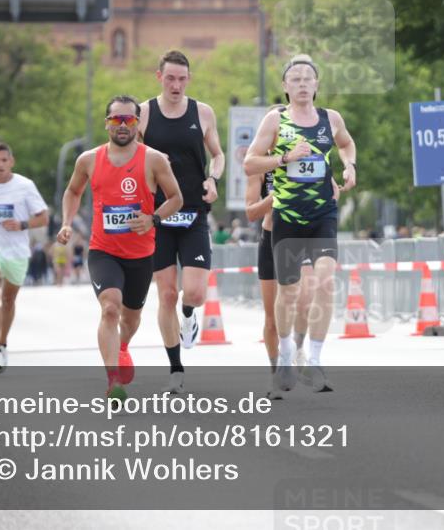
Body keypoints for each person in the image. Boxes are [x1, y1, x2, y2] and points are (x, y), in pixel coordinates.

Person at [58, 95, 182, 401]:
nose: (123, 125)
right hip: (103, 250)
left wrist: (153, 218)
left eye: (129, 120)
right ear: (107, 124)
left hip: (141, 254)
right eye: (117, 120)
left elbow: (176, 198)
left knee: (131, 319)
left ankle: (122, 347)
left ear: (138, 125)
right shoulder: (88, 159)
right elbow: (73, 191)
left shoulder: (153, 159)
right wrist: (66, 223)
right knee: (110, 308)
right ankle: (113, 379)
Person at [245, 54, 356, 393]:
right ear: (285, 87)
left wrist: (350, 166)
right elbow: (250, 163)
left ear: (317, 84)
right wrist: (285, 158)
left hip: (323, 213)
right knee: (289, 292)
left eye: (308, 78)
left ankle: (318, 361)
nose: (303, 83)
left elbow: (347, 144)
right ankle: (287, 355)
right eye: (295, 79)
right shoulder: (275, 121)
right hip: (288, 216)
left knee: (324, 282)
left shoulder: (330, 118)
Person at [138, 50, 224, 391]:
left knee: (195, 293)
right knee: (167, 294)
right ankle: (175, 367)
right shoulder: (143, 114)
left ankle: (190, 317)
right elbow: (130, 158)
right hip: (158, 218)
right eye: (170, 78)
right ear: (159, 76)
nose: (176, 85)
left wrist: (212, 179)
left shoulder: (202, 112)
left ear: (188, 79)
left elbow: (217, 155)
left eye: (182, 79)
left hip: (193, 214)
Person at [245, 113, 331, 398]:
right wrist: (280, 194)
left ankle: (299, 353)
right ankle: (276, 376)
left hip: (299, 236)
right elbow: (250, 212)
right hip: (271, 238)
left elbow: (330, 193)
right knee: (272, 316)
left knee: (304, 303)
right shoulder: (262, 169)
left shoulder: (307, 160)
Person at [0, 142, 49, 372]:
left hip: (16, 250)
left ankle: (3, 342)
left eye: (4, 160)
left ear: (11, 161)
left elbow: (43, 217)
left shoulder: (25, 186)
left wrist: (22, 224)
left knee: (8, 300)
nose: (0, 164)